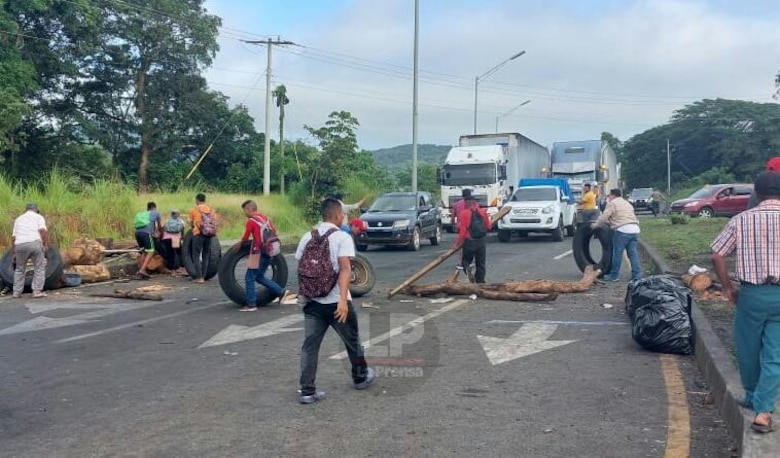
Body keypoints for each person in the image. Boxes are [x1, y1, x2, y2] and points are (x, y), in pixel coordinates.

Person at [711, 171, 780, 434]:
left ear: (757, 194)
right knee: (775, 353)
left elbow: (717, 256)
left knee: (748, 347)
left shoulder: (742, 219)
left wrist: (729, 289)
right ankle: (763, 412)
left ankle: (752, 396)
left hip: (751, 294)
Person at [295, 198, 375, 404]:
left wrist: (305, 295)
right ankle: (360, 377)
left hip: (312, 302)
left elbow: (302, 267)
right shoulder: (342, 237)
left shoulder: (307, 236)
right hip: (337, 303)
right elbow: (346, 269)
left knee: (310, 346)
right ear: (338, 215)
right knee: (352, 341)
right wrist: (341, 300)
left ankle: (307, 391)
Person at [236, 200, 290, 312]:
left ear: (249, 209)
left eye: (244, 210)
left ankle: (251, 304)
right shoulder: (264, 218)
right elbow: (274, 230)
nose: (244, 213)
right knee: (259, 276)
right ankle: (281, 292)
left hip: (258, 252)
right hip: (269, 251)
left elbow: (246, 236)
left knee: (249, 277)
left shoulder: (251, 221)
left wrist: (240, 243)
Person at [591, 189, 641, 282]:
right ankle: (636, 275)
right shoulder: (627, 203)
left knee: (617, 253)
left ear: (613, 195)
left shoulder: (612, 203)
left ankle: (614, 276)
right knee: (633, 253)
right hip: (635, 230)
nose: (608, 197)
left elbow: (604, 216)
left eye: (609, 195)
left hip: (622, 230)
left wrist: (595, 225)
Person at [11, 203, 49, 298]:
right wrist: (44, 244)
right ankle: (36, 291)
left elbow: (14, 237)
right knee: (39, 268)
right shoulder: (38, 217)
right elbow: (43, 231)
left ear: (26, 209)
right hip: (34, 243)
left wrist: (15, 251)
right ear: (36, 209)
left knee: (19, 269)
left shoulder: (18, 219)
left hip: (20, 245)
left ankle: (16, 292)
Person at [455, 194, 492, 283]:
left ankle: (468, 269)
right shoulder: (483, 211)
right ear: (475, 202)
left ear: (466, 203)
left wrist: (457, 244)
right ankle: (480, 281)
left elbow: (463, 231)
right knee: (481, 263)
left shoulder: (464, 213)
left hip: (469, 242)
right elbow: (489, 226)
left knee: (465, 260)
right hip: (481, 241)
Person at [188, 193, 214, 283]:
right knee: (206, 255)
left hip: (198, 233)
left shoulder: (194, 209)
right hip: (209, 233)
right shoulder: (210, 209)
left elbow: (191, 223)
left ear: (197, 200)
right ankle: (203, 275)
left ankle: (199, 278)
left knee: (196, 255)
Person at [134, 201, 162, 279]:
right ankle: (142, 270)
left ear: (148, 208)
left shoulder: (143, 214)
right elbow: (159, 227)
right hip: (145, 234)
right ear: (154, 207)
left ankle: (141, 271)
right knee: (151, 251)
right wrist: (160, 233)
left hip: (137, 233)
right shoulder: (156, 213)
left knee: (144, 252)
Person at [160, 209, 186, 277]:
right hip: (176, 238)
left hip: (167, 239)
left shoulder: (167, 220)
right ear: (178, 214)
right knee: (178, 253)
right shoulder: (180, 221)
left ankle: (172, 271)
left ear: (171, 214)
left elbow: (163, 229)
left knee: (170, 254)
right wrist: (182, 237)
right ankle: (181, 268)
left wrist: (161, 237)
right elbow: (182, 229)